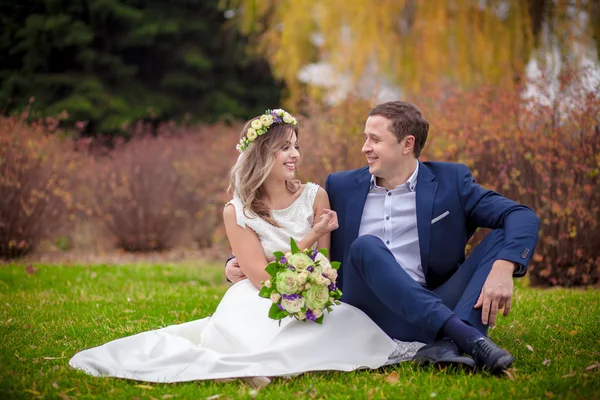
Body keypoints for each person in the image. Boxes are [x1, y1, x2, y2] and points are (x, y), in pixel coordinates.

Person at [69, 109, 422, 384]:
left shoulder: (317, 196)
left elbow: (323, 267)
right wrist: (312, 236)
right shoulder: (236, 211)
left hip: (310, 289)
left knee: (340, 321)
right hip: (257, 295)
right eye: (285, 147)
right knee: (264, 325)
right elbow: (260, 277)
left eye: (296, 145)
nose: (294, 154)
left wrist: (312, 283)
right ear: (262, 154)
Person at [226, 101, 541, 375]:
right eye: (365, 138)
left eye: (374, 139)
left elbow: (522, 216)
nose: (364, 147)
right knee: (366, 246)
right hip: (374, 313)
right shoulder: (341, 186)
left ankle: (445, 344)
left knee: (504, 237)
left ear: (407, 144)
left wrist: (504, 266)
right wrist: (236, 261)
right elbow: (286, 226)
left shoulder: (451, 181)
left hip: (437, 297)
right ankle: (468, 338)